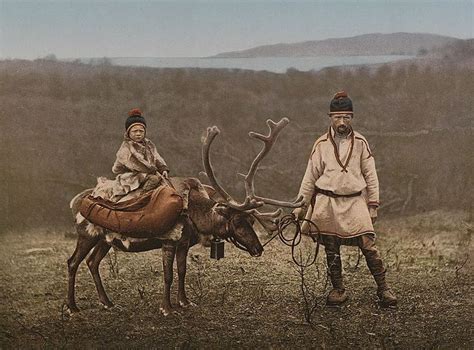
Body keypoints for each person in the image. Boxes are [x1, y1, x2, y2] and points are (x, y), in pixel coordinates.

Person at [293, 91, 397, 307]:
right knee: (331, 247)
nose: (342, 122)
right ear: (330, 118)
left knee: (368, 245)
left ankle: (384, 288)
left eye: (346, 117)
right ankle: (338, 289)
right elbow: (309, 177)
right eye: (337, 117)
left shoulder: (360, 142)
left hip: (355, 202)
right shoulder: (320, 144)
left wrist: (373, 205)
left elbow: (371, 175)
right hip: (327, 203)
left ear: (352, 118)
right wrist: (299, 207)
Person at [92, 108, 169, 202]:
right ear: (128, 133)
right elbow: (117, 169)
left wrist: (163, 168)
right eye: (135, 131)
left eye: (141, 131)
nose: (138, 134)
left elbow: (157, 157)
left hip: (148, 173)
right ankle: (141, 199)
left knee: (166, 185)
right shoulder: (125, 148)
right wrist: (132, 170)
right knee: (154, 179)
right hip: (133, 176)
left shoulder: (149, 145)